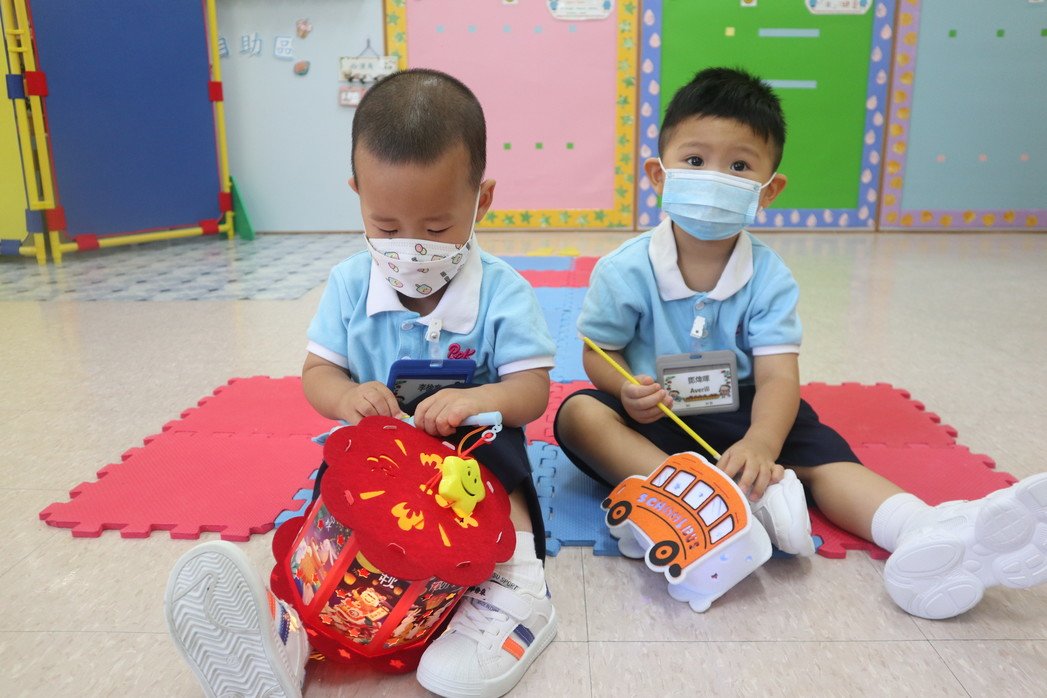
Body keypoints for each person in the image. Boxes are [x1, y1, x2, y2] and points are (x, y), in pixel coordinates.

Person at [554, 66, 1047, 620]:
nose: (715, 177)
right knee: (577, 415)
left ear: (769, 190)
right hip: (658, 416)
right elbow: (599, 352)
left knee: (825, 456)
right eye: (694, 160)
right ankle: (697, 503)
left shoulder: (770, 277)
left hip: (745, 408)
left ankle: (924, 527)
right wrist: (626, 390)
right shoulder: (624, 269)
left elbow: (777, 377)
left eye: (739, 166)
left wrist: (763, 444)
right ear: (659, 174)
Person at [164, 68, 558, 698]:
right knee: (333, 504)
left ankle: (517, 590)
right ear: (357, 195)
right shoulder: (350, 284)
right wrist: (347, 396)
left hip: (467, 455)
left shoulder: (504, 293)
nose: (411, 248)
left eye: (436, 229)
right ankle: (297, 626)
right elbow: (318, 373)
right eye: (387, 227)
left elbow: (531, 392)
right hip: (383, 459)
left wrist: (478, 400)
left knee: (500, 457)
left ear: (481, 201)